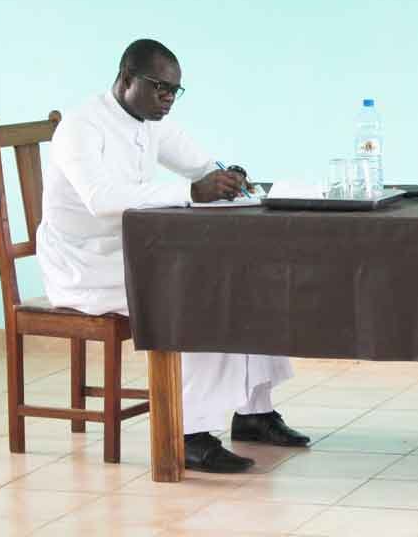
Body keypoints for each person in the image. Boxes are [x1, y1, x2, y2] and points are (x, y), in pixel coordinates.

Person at [37, 38, 310, 473]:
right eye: (159, 88)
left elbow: (199, 166)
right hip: (86, 263)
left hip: (133, 251)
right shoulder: (81, 126)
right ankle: (189, 435)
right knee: (200, 298)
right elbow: (100, 199)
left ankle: (254, 412)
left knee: (245, 279)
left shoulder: (151, 119)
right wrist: (190, 191)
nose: (168, 99)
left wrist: (224, 175)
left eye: (174, 91)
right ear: (127, 79)